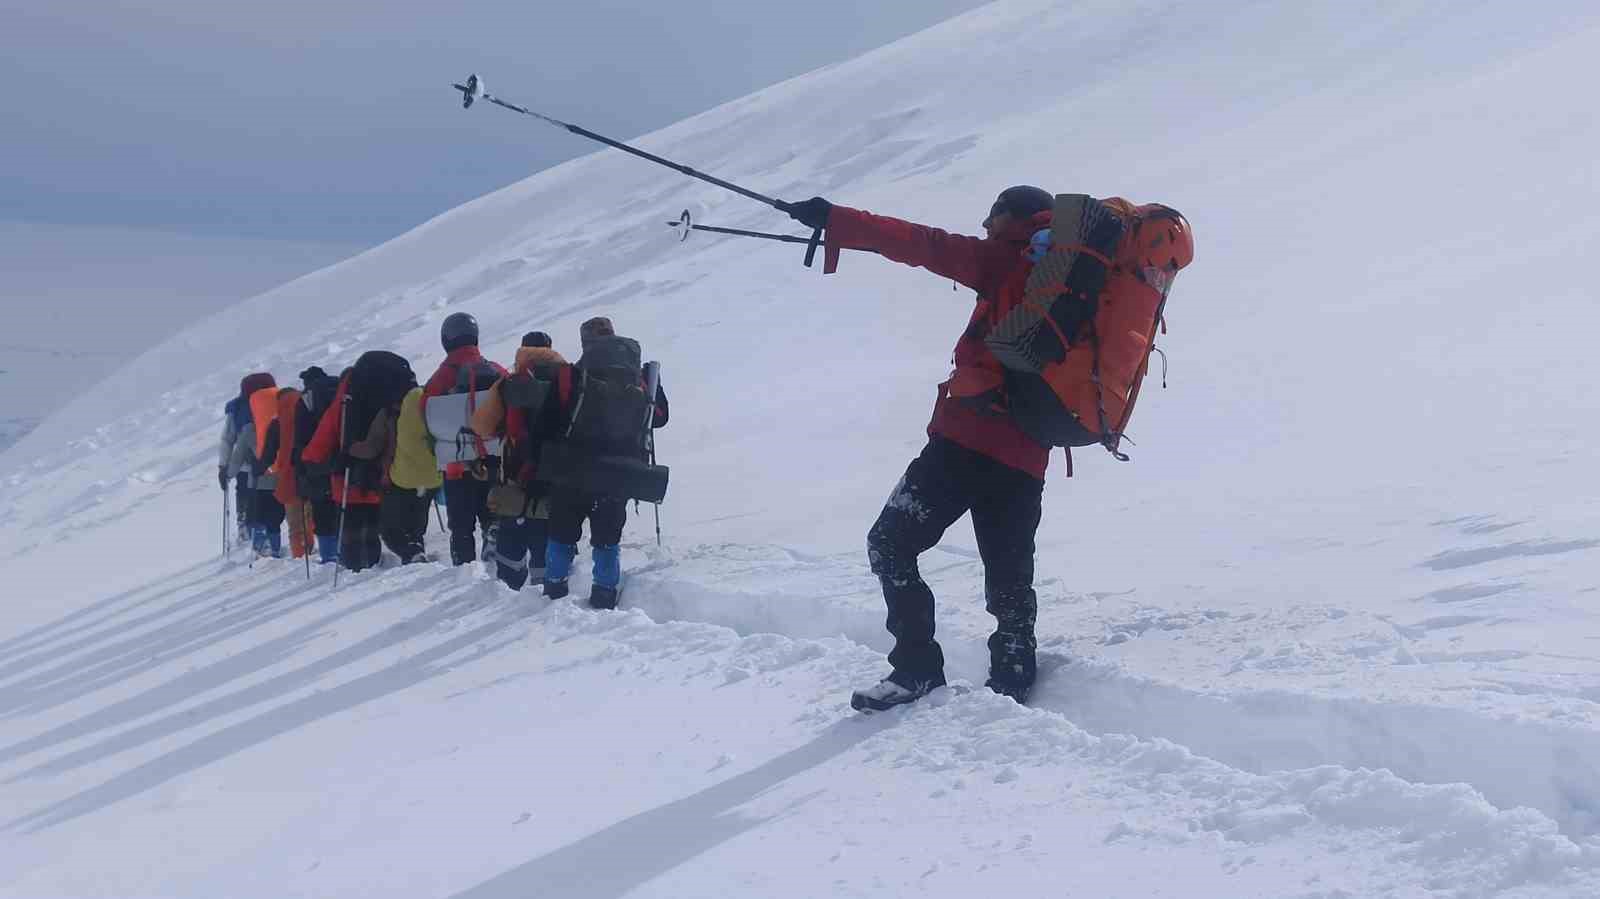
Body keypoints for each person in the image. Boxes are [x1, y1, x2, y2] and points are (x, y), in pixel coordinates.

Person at [782, 187, 1092, 709]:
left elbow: (920, 242)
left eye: (992, 216)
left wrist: (836, 219)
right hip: (1026, 456)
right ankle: (1013, 679)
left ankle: (917, 670)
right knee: (1010, 570)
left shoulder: (1007, 258)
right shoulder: (1075, 278)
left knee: (891, 544)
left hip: (964, 443)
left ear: (1012, 219)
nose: (986, 226)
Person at [540, 317, 668, 609]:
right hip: (620, 469)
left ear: (585, 343)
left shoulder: (569, 375)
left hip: (573, 466)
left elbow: (547, 422)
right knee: (607, 536)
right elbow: (659, 418)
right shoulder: (642, 376)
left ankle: (553, 591)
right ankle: (604, 593)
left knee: (561, 531)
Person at [302, 353, 415, 572]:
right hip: (387, 472)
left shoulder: (346, 396)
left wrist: (309, 461)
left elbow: (326, 432)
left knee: (352, 527)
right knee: (375, 521)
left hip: (348, 475)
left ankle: (354, 570)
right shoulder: (395, 391)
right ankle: (374, 563)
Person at [473, 330, 568, 590]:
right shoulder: (570, 380)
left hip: (517, 472)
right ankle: (547, 584)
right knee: (549, 531)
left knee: (513, 533)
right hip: (556, 473)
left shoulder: (509, 383)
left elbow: (482, 426)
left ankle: (510, 588)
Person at [421, 313, 507, 565]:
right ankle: (494, 550)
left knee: (461, 527)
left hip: (458, 464)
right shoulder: (496, 370)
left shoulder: (439, 379)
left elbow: (427, 419)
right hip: (495, 459)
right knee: (493, 515)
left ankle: (464, 568)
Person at [382, 383, 442, 564]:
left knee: (389, 526)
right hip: (433, 476)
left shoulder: (396, 416)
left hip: (403, 477)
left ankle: (410, 551)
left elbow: (390, 448)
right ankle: (416, 546)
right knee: (418, 517)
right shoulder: (433, 405)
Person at [226, 375, 285, 558]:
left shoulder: (250, 429)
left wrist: (227, 473)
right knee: (275, 517)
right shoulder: (285, 422)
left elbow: (238, 456)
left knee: (256, 515)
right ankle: (275, 547)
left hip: (257, 480)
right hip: (282, 478)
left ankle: (260, 545)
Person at [293, 366, 344, 564]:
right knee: (342, 505)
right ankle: (345, 550)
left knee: (322, 511)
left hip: (316, 463)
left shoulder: (306, 399)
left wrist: (300, 471)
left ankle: (329, 555)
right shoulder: (341, 389)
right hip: (342, 458)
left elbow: (300, 438)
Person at [219, 373, 274, 545]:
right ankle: (268, 535)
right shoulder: (276, 401)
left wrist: (224, 466)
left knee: (246, 494)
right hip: (273, 462)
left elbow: (228, 438)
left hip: (243, 464)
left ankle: (246, 528)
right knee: (268, 498)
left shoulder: (237, 408)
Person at [265, 385, 313, 559]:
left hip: (288, 477)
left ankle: (299, 555)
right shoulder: (309, 413)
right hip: (310, 473)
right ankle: (313, 549)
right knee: (310, 517)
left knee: (294, 523)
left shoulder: (277, 423)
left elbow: (268, 455)